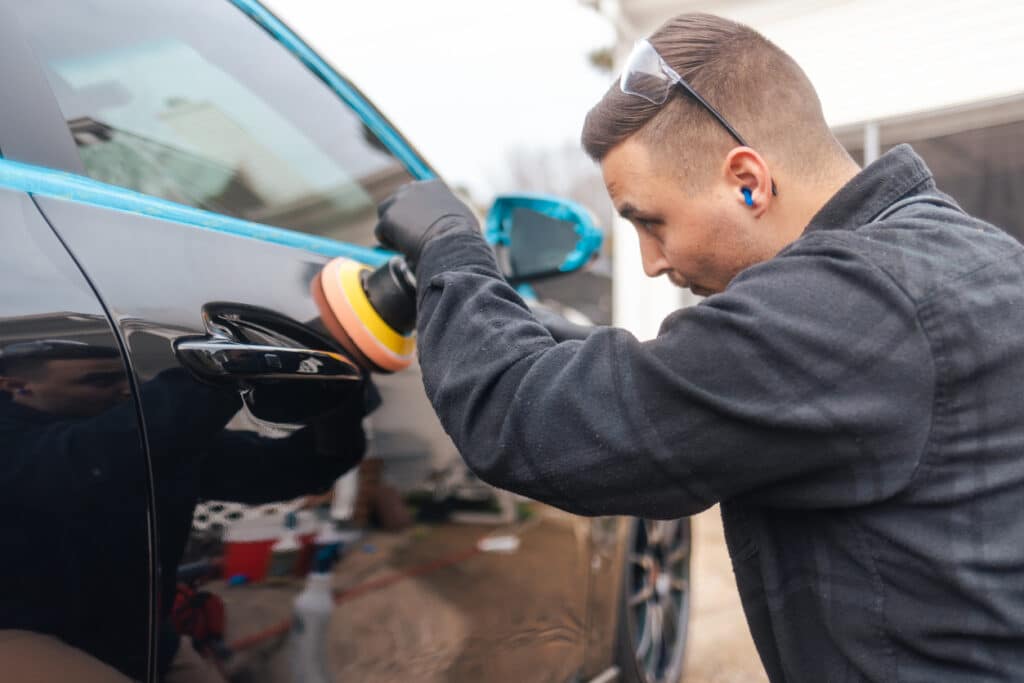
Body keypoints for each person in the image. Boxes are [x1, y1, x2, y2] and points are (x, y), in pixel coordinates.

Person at [372, 12, 1024, 683]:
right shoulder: (968, 256)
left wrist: (450, 244)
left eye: (651, 222)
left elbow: (529, 421)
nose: (652, 263)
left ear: (747, 179)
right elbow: (675, 369)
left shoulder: (842, 306)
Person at [0, 338, 374, 681]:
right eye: (99, 381)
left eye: (127, 377)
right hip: (18, 634)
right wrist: (231, 365)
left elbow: (288, 469)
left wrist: (339, 397)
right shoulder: (40, 447)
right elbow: (92, 460)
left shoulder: (147, 440)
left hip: (142, 641)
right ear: (17, 386)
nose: (126, 390)